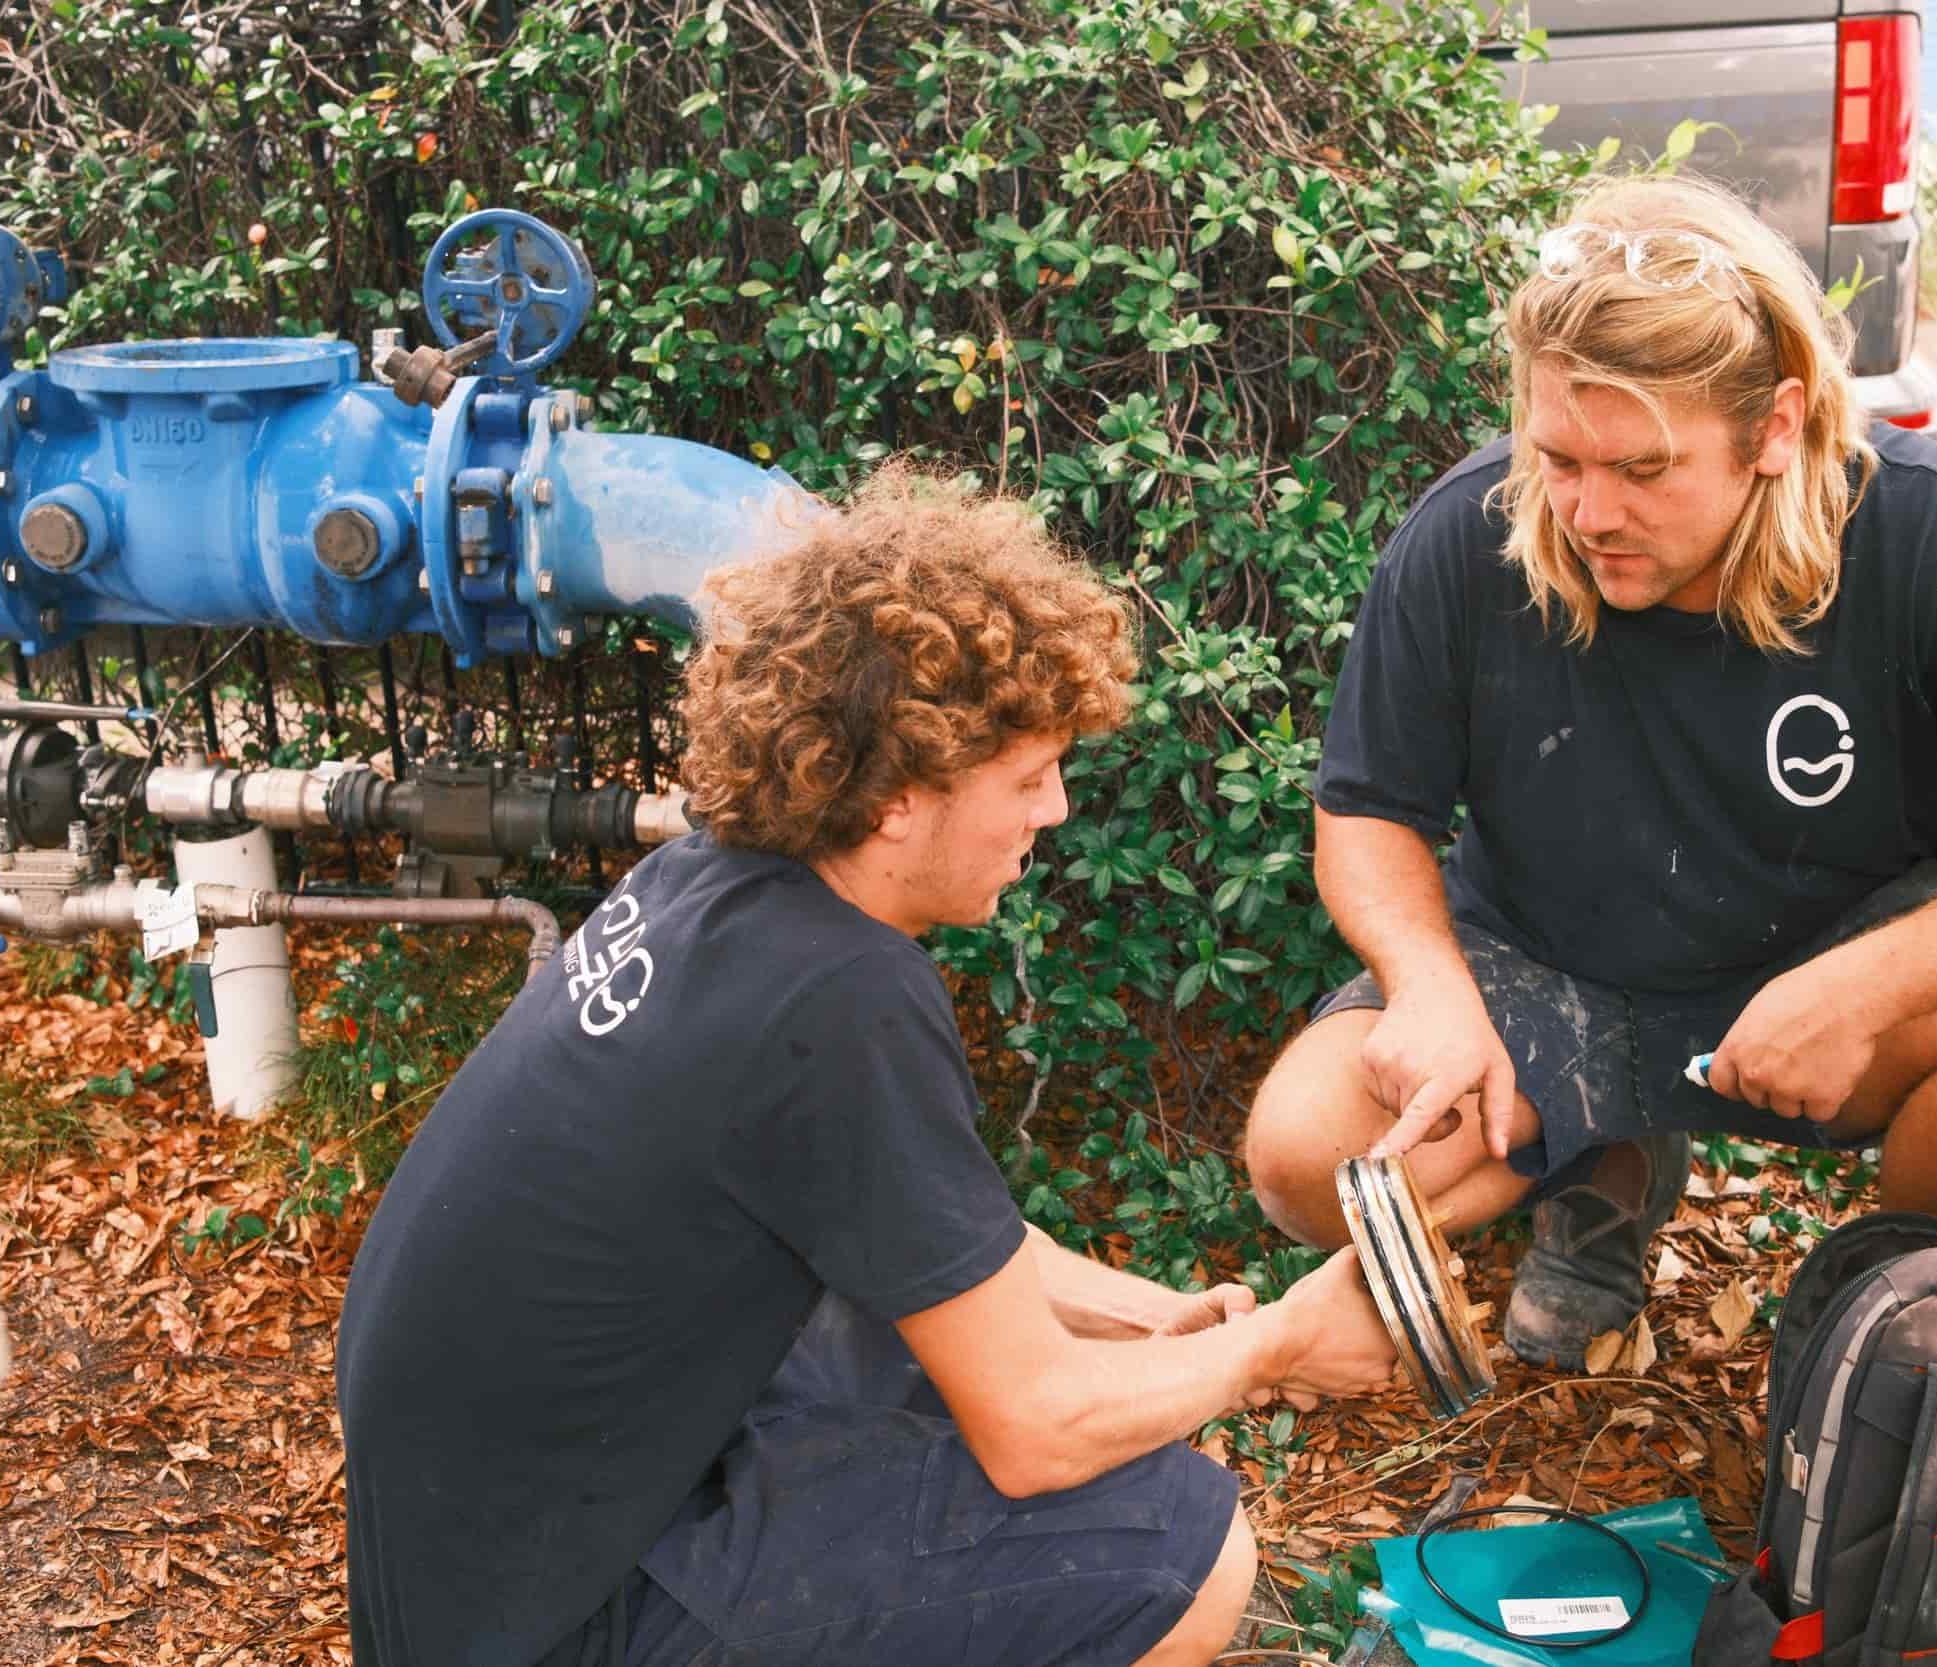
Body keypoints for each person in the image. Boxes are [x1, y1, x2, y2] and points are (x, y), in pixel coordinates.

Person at [336, 471, 1402, 1667]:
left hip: (474, 1561)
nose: (1052, 810)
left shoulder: (713, 889)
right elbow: (1036, 1429)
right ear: (899, 799)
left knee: (968, 1369)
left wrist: (1157, 1321)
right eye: (1024, 779)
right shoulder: (837, 994)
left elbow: (936, 1236)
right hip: (565, 1616)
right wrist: (1269, 1349)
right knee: (1186, 1553)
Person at [1244, 175, 1937, 1370]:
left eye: (1643, 469)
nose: (1584, 511)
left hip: (1827, 963)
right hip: (1542, 966)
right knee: (1305, 1157)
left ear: (1775, 427)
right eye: (1557, 455)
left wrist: (1862, 986)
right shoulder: (1473, 529)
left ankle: (1879, 1304)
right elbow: (1364, 811)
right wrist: (1426, 987)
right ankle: (1603, 1165)